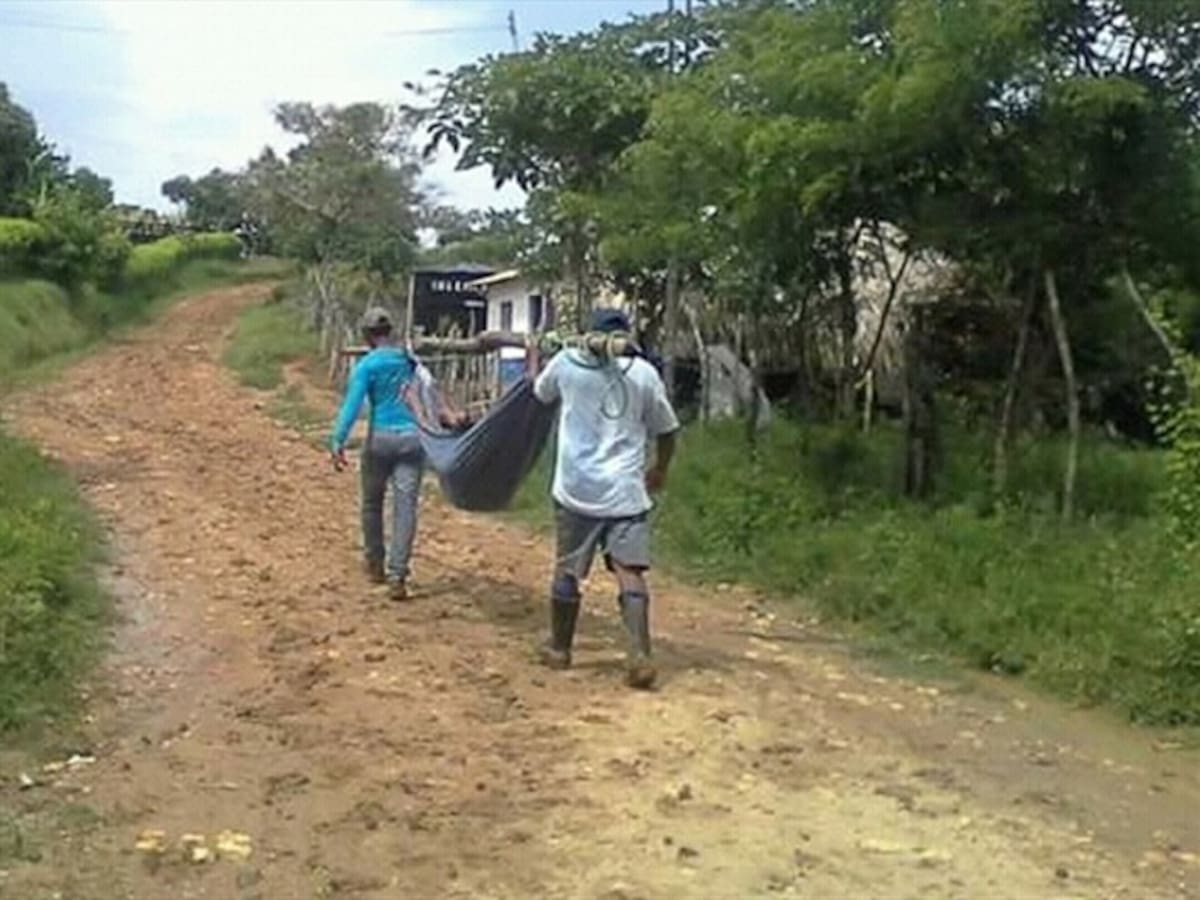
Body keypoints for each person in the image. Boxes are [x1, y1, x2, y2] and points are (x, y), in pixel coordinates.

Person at [532, 308, 680, 689]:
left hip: (576, 490)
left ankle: (560, 649)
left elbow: (539, 391)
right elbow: (667, 429)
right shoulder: (644, 374)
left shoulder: (566, 363)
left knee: (567, 569)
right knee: (630, 571)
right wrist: (660, 468)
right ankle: (639, 654)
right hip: (626, 493)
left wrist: (536, 354)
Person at [329, 307, 464, 601]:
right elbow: (430, 388)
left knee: (372, 503)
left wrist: (338, 440)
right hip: (413, 439)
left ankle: (375, 561)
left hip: (380, 439)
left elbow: (352, 405)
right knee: (405, 508)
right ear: (389, 331)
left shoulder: (366, 366)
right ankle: (398, 575)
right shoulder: (408, 360)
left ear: (367, 335)